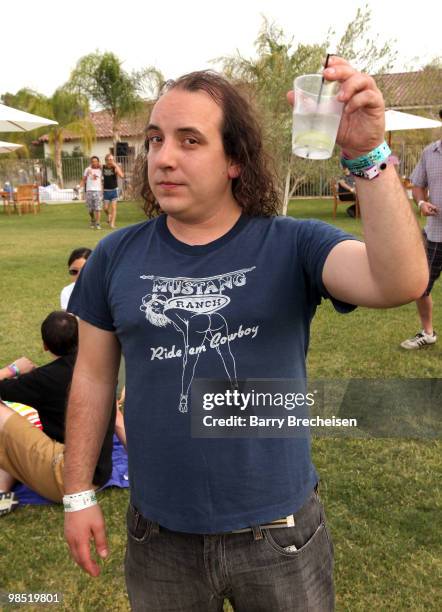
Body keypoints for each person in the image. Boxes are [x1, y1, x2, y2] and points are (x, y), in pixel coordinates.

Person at [63, 58, 428, 611]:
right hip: (159, 537)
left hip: (280, 536)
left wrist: (367, 156)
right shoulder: (115, 255)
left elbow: (401, 280)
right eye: (157, 139)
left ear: (234, 159)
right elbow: (91, 378)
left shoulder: (292, 244)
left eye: (190, 141)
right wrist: (76, 493)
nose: (163, 158)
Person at [0, 311, 116, 515]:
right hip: (99, 473)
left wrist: (12, 369)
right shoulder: (100, 367)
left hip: (69, 478)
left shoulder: (43, 380)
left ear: (45, 345)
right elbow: (120, 422)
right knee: (18, 436)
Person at [401, 139, 442, 349]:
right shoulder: (429, 152)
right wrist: (421, 202)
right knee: (421, 286)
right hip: (436, 235)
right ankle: (428, 333)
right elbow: (418, 185)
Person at [79, 156, 103, 230]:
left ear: (98, 162)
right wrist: (79, 187)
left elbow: (102, 180)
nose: (94, 163)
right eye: (93, 161)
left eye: (96, 161)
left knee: (98, 208)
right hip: (89, 191)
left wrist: (102, 191)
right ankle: (92, 219)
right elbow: (83, 180)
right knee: (90, 209)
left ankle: (98, 223)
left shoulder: (101, 170)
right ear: (91, 162)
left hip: (98, 191)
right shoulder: (87, 169)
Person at [102, 153, 124, 229]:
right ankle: (109, 215)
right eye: (108, 159)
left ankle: (112, 224)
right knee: (105, 208)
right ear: (106, 160)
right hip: (106, 191)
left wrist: (115, 165)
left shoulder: (115, 168)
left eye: (111, 159)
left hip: (114, 190)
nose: (110, 161)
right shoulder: (103, 167)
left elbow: (122, 176)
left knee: (114, 208)